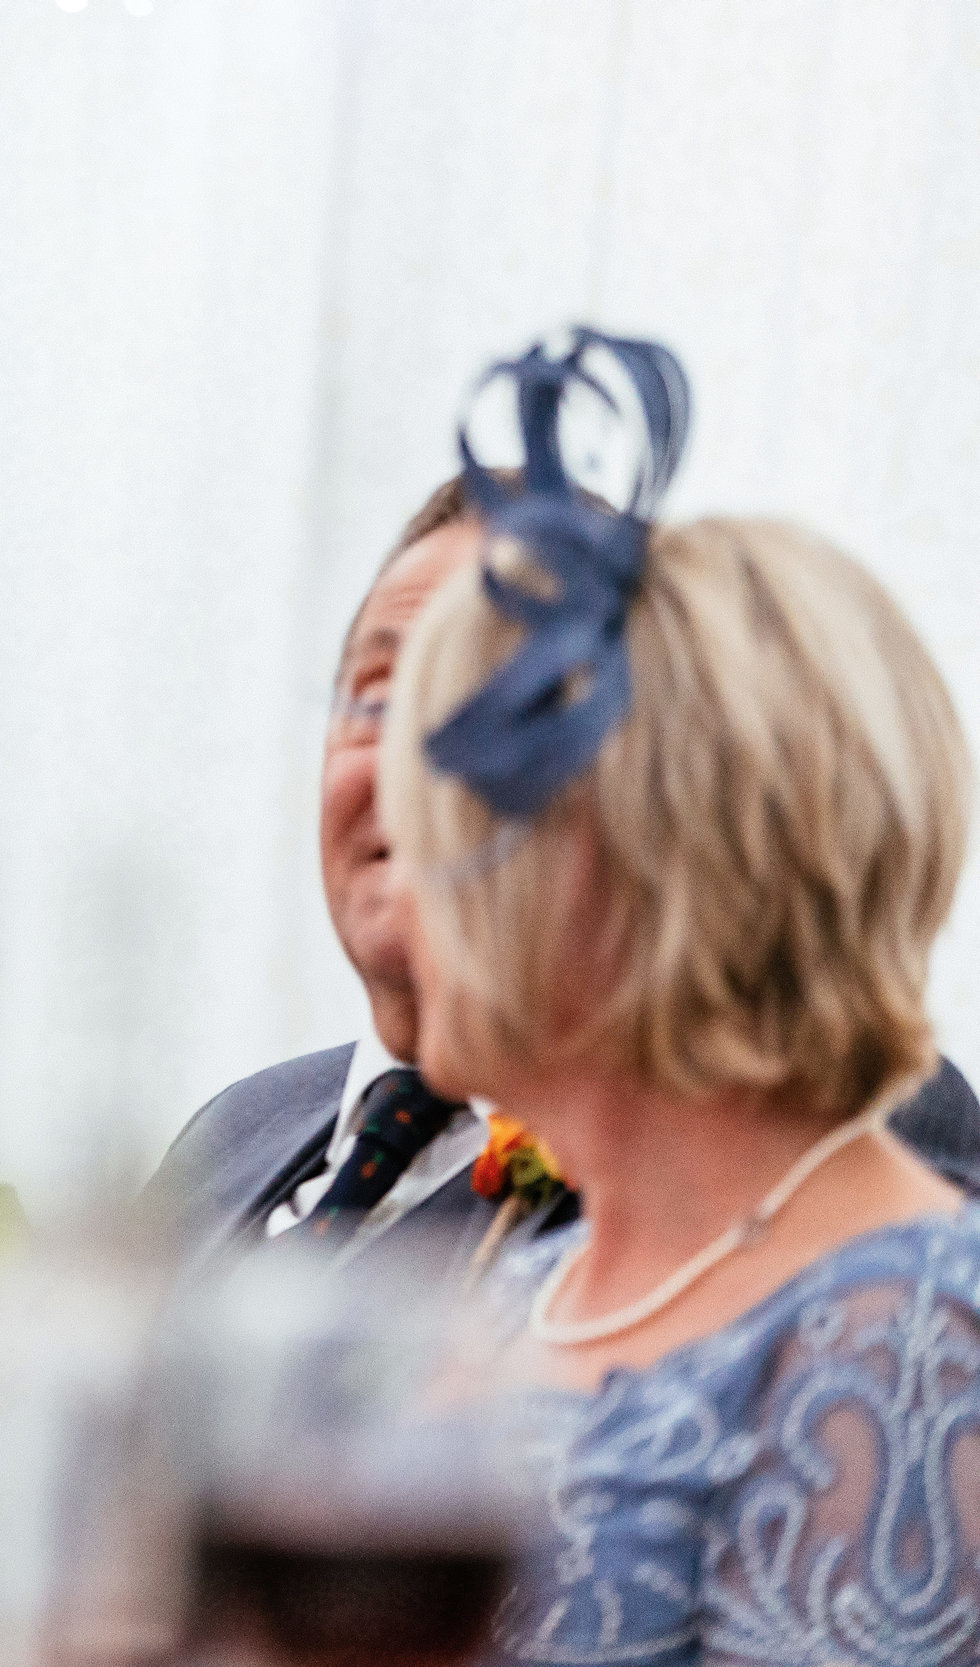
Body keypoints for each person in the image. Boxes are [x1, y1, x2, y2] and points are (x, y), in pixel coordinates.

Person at [376, 333, 980, 1660]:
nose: (403, 889)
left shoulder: (914, 1330)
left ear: (606, 864)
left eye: (446, 824)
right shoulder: (527, 1284)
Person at [143, 472, 980, 1276]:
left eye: (493, 700)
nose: (418, 759)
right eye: (378, 694)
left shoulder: (822, 1126)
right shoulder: (233, 1131)